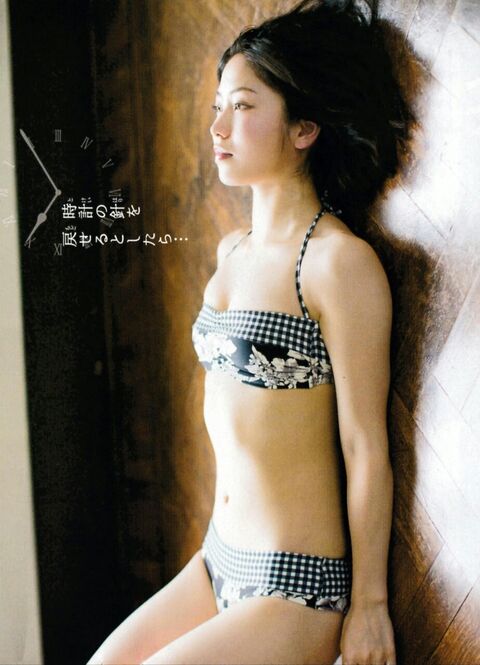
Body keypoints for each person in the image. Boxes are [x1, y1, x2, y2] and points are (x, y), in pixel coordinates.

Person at [87, 0, 414, 663]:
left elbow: (364, 447)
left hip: (294, 586)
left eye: (241, 106)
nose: (217, 126)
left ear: (304, 128)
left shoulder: (335, 263)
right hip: (217, 560)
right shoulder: (231, 250)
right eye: (218, 106)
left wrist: (370, 605)